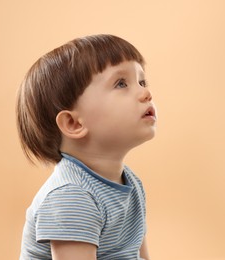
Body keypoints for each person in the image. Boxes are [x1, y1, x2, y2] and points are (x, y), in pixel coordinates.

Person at [16, 34, 156, 260]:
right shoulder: (72, 197)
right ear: (73, 123)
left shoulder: (131, 183)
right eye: (121, 83)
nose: (146, 93)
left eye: (142, 82)